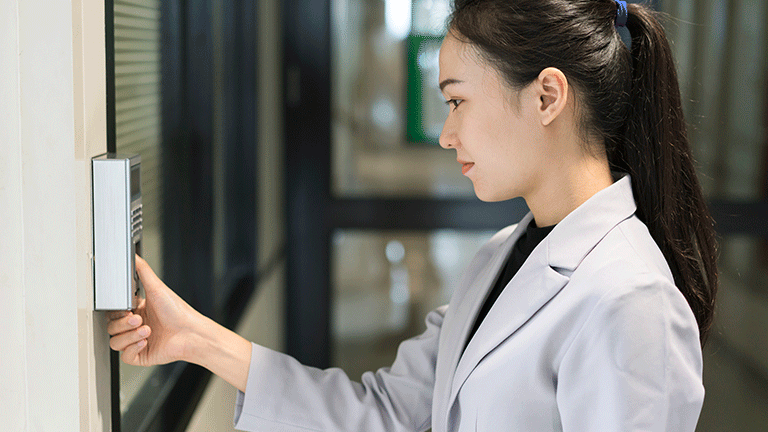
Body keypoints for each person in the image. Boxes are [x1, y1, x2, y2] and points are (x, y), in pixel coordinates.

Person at [107, 0, 719, 430]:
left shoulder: (629, 299)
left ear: (546, 96)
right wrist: (196, 338)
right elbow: (389, 413)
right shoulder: (502, 255)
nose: (448, 133)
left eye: (457, 100)